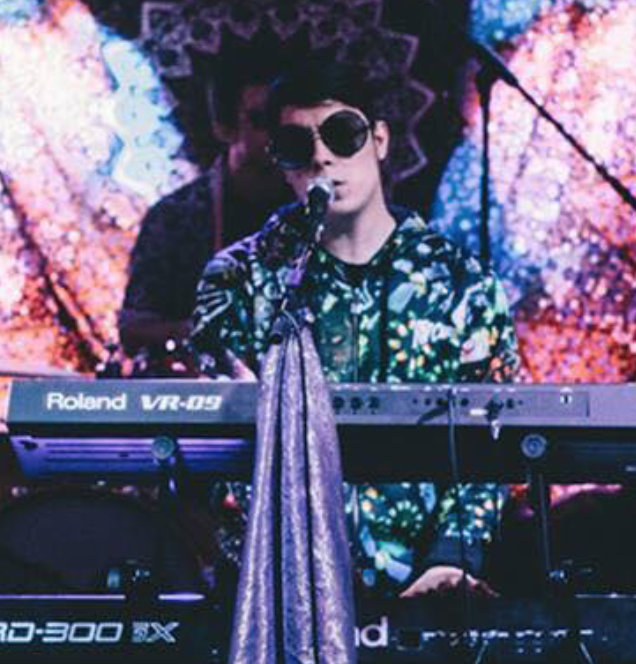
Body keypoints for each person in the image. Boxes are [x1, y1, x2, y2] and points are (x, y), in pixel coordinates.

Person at [191, 59, 520, 598]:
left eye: (343, 134)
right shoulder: (237, 281)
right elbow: (226, 444)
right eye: (299, 144)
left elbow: (493, 440)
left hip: (425, 591)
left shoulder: (465, 283)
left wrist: (451, 559)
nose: (322, 156)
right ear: (281, 161)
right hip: (273, 592)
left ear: (381, 140)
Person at [118, 65, 292, 363]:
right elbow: (134, 330)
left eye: (288, 122)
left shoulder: (324, 212)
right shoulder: (174, 218)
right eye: (262, 119)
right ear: (224, 128)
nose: (279, 133)